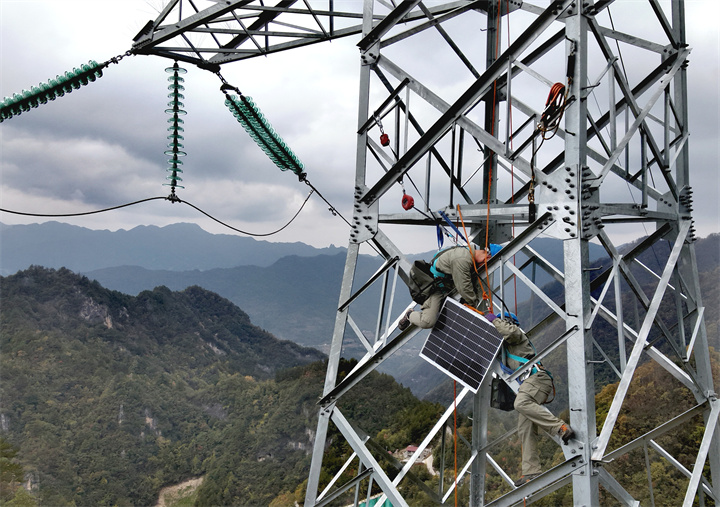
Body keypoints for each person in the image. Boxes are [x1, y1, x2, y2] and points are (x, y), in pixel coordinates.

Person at [484, 311, 575, 486]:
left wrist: (494, 320)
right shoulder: (505, 349)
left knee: (521, 403)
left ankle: (560, 427)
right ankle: (531, 471)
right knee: (524, 427)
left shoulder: (517, 335)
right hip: (530, 385)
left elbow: (509, 332)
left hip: (538, 380)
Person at [399, 243, 501, 330]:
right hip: (436, 289)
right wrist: (473, 306)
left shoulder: (469, 258)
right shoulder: (462, 259)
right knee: (428, 322)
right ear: (488, 256)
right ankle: (410, 315)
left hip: (447, 286)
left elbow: (475, 286)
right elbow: (464, 287)